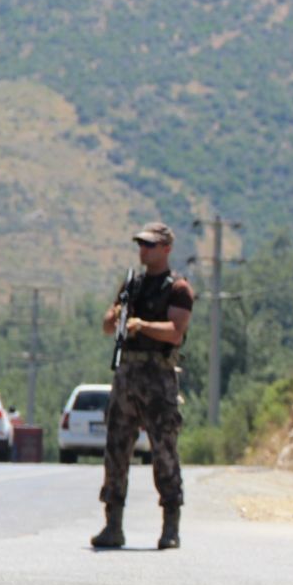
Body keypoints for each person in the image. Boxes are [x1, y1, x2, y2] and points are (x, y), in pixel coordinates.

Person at [91, 222, 193, 551]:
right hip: (126, 376)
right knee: (116, 450)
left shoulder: (177, 288)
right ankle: (113, 524)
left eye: (150, 245)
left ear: (166, 248)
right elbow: (109, 326)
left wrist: (142, 325)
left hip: (158, 379)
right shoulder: (131, 285)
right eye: (141, 245)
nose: (144, 250)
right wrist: (117, 316)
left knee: (164, 451)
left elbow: (175, 331)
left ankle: (170, 526)